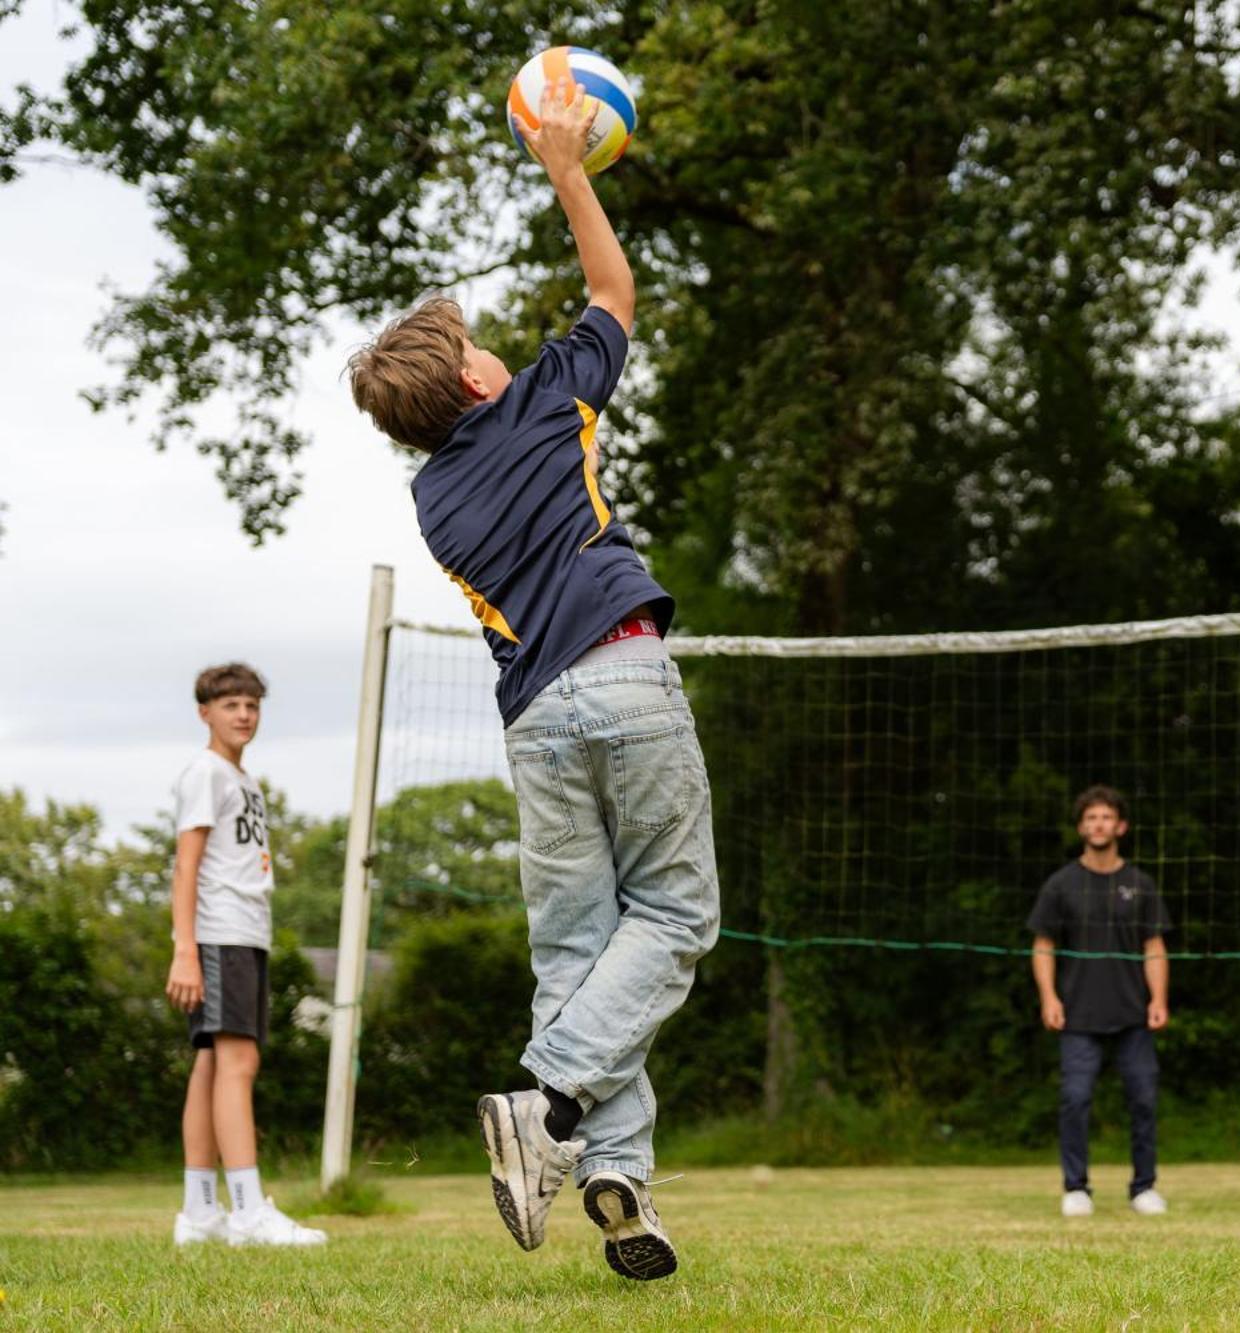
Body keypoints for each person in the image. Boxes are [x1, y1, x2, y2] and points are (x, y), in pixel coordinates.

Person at [346, 78, 719, 1281]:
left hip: (533, 722)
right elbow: (613, 292)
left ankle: (617, 1183)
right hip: (619, 675)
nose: (495, 346)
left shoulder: (432, 494)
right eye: (476, 343)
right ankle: (549, 1103)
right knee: (673, 919)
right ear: (473, 382)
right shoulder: (543, 402)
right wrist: (569, 166)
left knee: (578, 955)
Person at [167, 663, 327, 1248]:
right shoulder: (205, 773)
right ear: (204, 711)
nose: (243, 715)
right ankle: (248, 1211)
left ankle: (200, 1212)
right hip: (218, 935)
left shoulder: (244, 780)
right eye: (230, 704)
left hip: (245, 934)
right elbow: (186, 865)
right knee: (238, 1065)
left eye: (251, 705)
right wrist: (185, 948)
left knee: (212, 1064)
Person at [1028, 785, 1172, 1217]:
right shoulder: (1061, 884)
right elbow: (1042, 945)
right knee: (1075, 1097)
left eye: (1106, 817)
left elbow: (1154, 947)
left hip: (1133, 1013)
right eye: (1091, 818)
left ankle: (1143, 1187)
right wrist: (1049, 997)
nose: (1098, 825)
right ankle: (1076, 1189)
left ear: (1121, 826)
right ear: (1080, 827)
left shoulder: (1139, 884)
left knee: (1144, 1098)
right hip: (1077, 1013)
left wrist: (1158, 998)